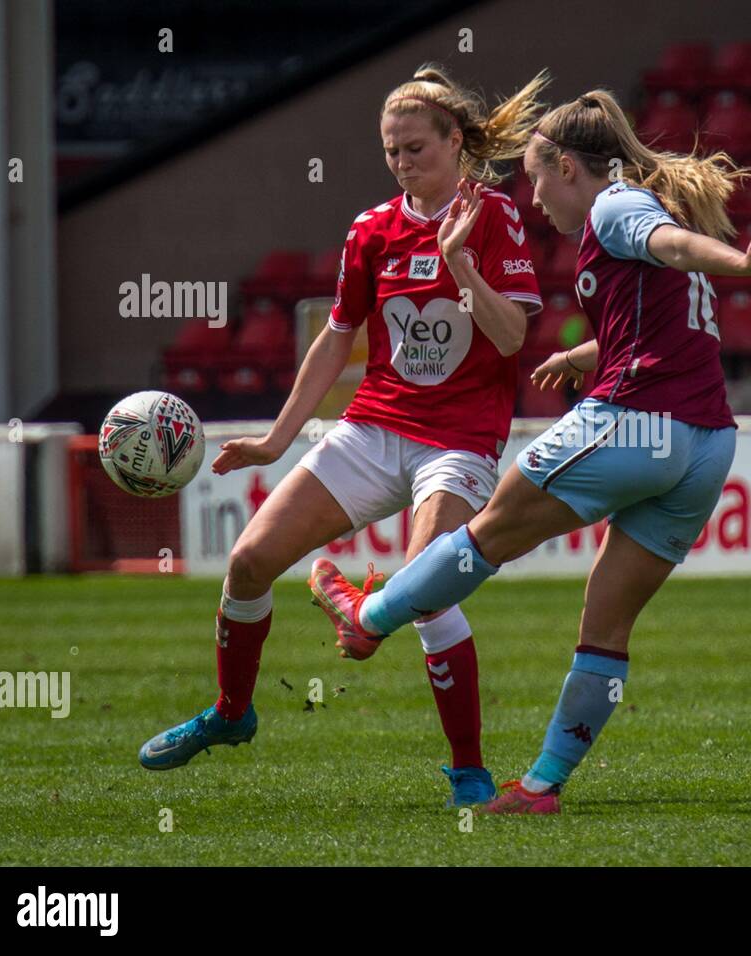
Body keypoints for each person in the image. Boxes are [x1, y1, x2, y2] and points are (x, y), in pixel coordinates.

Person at [309, 89, 751, 813]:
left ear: (568, 166)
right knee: (605, 621)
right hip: (705, 446)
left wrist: (742, 263)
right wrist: (583, 353)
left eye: (537, 178)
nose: (534, 199)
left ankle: (369, 616)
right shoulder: (635, 210)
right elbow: (664, 326)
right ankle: (541, 786)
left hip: (636, 423)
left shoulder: (614, 207)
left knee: (485, 534)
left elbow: (674, 247)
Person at [138, 64, 549, 809]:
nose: (402, 163)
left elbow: (513, 335)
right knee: (250, 560)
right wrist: (274, 441)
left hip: (459, 439)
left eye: (416, 148)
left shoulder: (494, 218)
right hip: (375, 426)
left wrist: (460, 261)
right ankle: (233, 714)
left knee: (426, 586)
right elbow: (336, 340)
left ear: (456, 141)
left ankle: (467, 770)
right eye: (391, 151)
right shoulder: (371, 229)